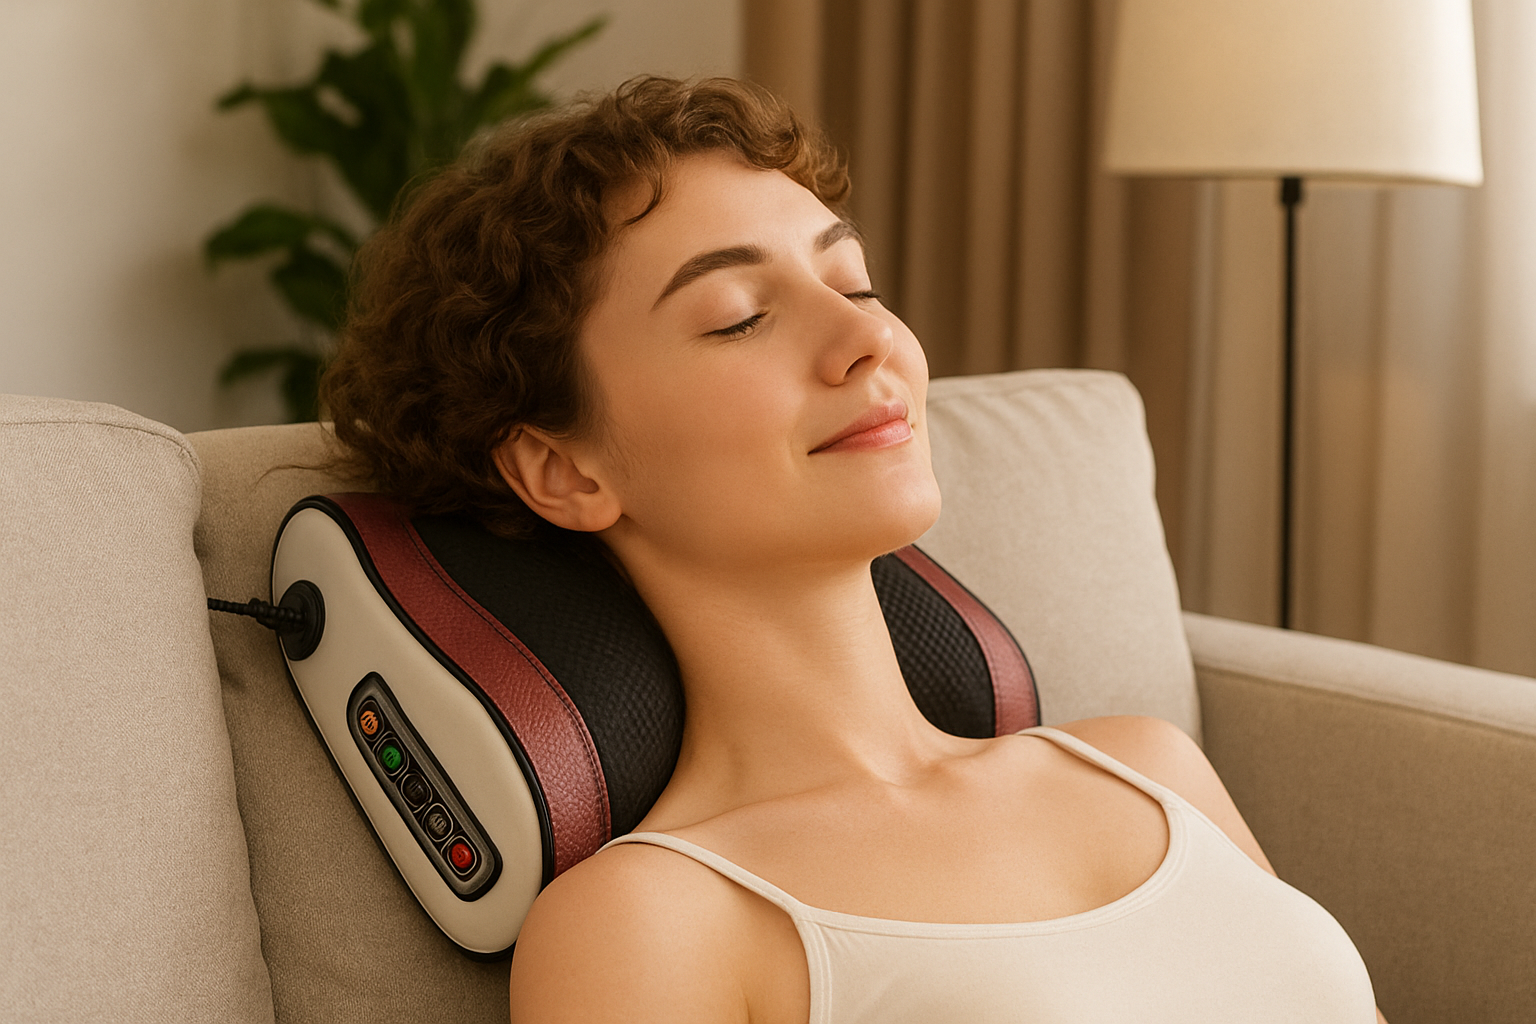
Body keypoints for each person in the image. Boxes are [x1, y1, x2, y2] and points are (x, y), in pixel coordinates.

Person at [322, 76, 1387, 1024]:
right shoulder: (655, 920)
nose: (871, 338)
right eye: (739, 316)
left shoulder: (1147, 766)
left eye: (856, 283)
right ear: (567, 470)